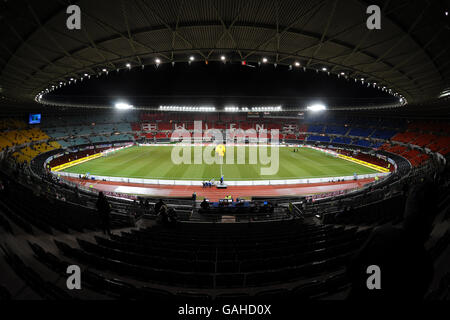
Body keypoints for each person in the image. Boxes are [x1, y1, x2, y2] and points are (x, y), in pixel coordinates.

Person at [346, 181, 438, 300]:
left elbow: (352, 269)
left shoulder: (382, 235)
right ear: (432, 217)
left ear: (407, 208)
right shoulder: (426, 265)